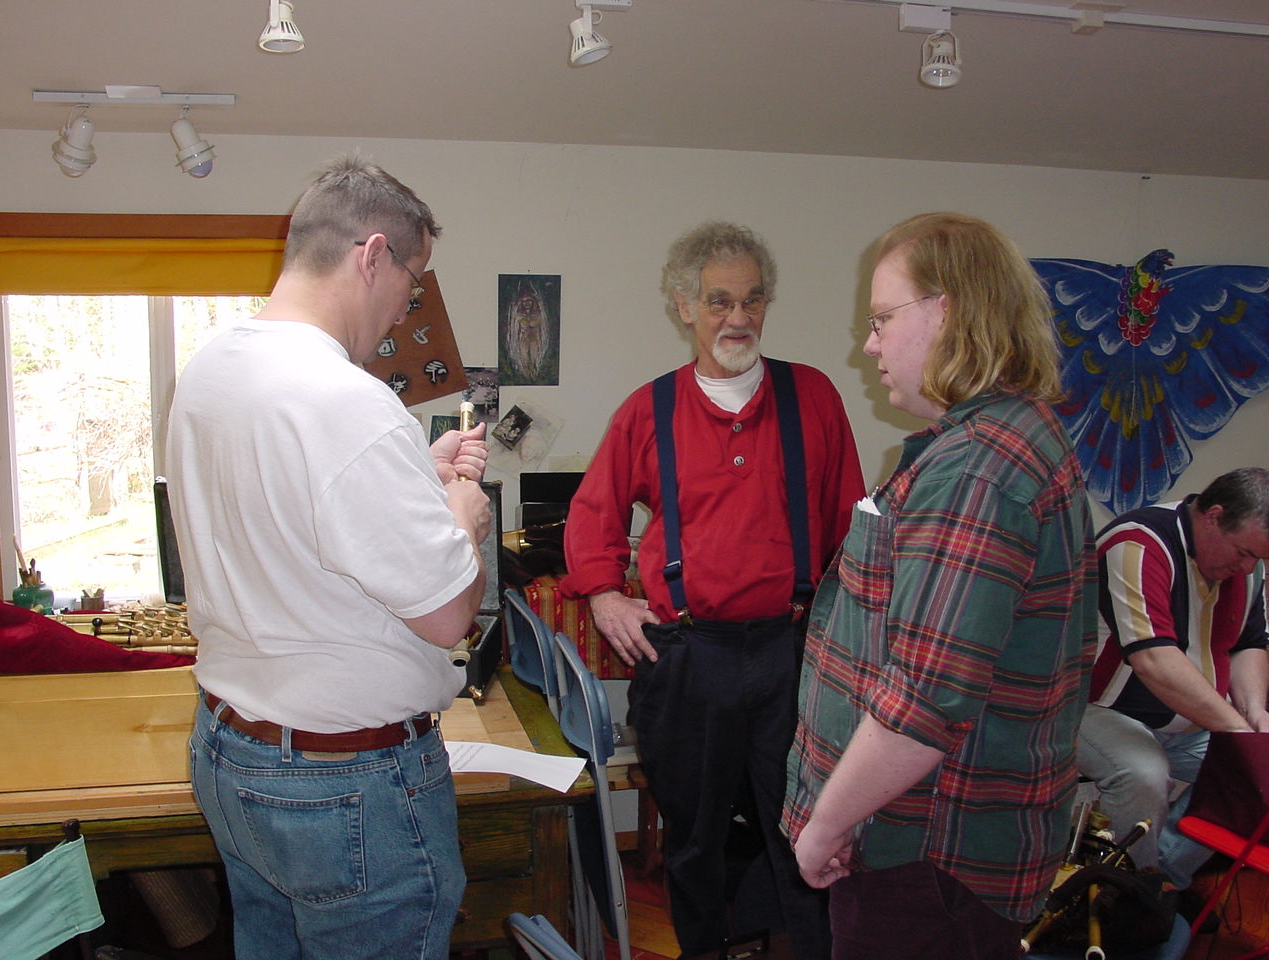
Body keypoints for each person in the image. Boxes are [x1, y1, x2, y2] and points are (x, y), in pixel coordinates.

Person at [166, 156, 492, 960]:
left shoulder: (211, 369)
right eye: (411, 284)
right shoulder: (350, 402)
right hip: (343, 786)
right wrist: (462, 518)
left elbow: (289, 508)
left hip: (233, 751)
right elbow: (448, 615)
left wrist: (413, 471)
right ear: (372, 255)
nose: (404, 310)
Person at [785, 212, 1099, 960]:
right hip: (930, 845)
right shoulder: (997, 440)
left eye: (881, 320)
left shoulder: (977, 469)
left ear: (947, 312)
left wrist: (825, 825)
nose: (869, 345)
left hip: (926, 854)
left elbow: (924, 701)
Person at [562, 221, 865, 958]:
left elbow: (849, 527)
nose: (738, 317)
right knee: (693, 841)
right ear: (685, 307)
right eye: (719, 301)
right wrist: (604, 594)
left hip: (791, 653)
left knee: (807, 830)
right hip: (688, 659)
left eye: (752, 300)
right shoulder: (648, 411)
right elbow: (593, 515)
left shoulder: (813, 397)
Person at [1078, 468, 1269, 894]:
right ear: (1213, 516)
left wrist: (1254, 712)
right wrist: (1237, 731)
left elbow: (1249, 644)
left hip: (1191, 724)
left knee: (1261, 769)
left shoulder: (1246, 568)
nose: (1248, 566)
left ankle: (1162, 883)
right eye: (1244, 552)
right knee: (1145, 776)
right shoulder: (1138, 541)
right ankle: (1132, 896)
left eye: (1259, 559)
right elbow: (1153, 659)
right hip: (1094, 709)